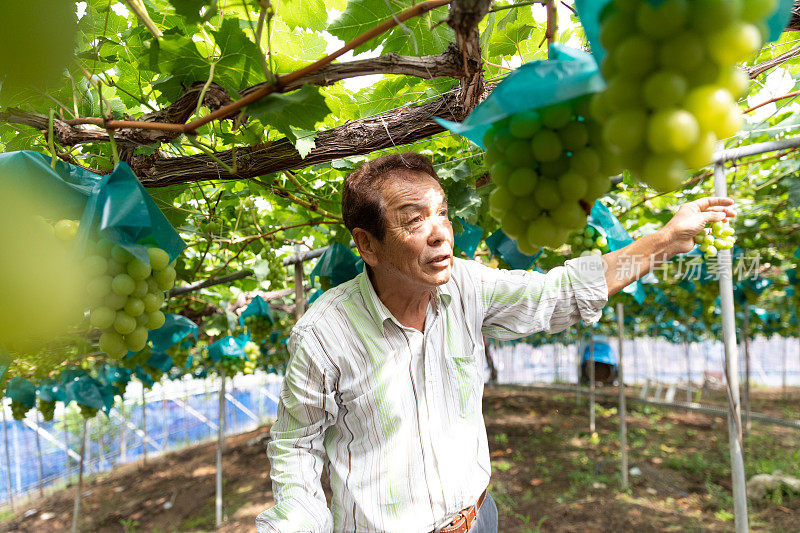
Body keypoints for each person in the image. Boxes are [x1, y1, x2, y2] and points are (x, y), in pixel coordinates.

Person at [256, 152, 734, 533]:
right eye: (414, 219)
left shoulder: (466, 286)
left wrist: (666, 241)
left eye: (442, 213)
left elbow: (559, 294)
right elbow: (296, 445)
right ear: (367, 244)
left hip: (480, 517)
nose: (441, 233)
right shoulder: (323, 334)